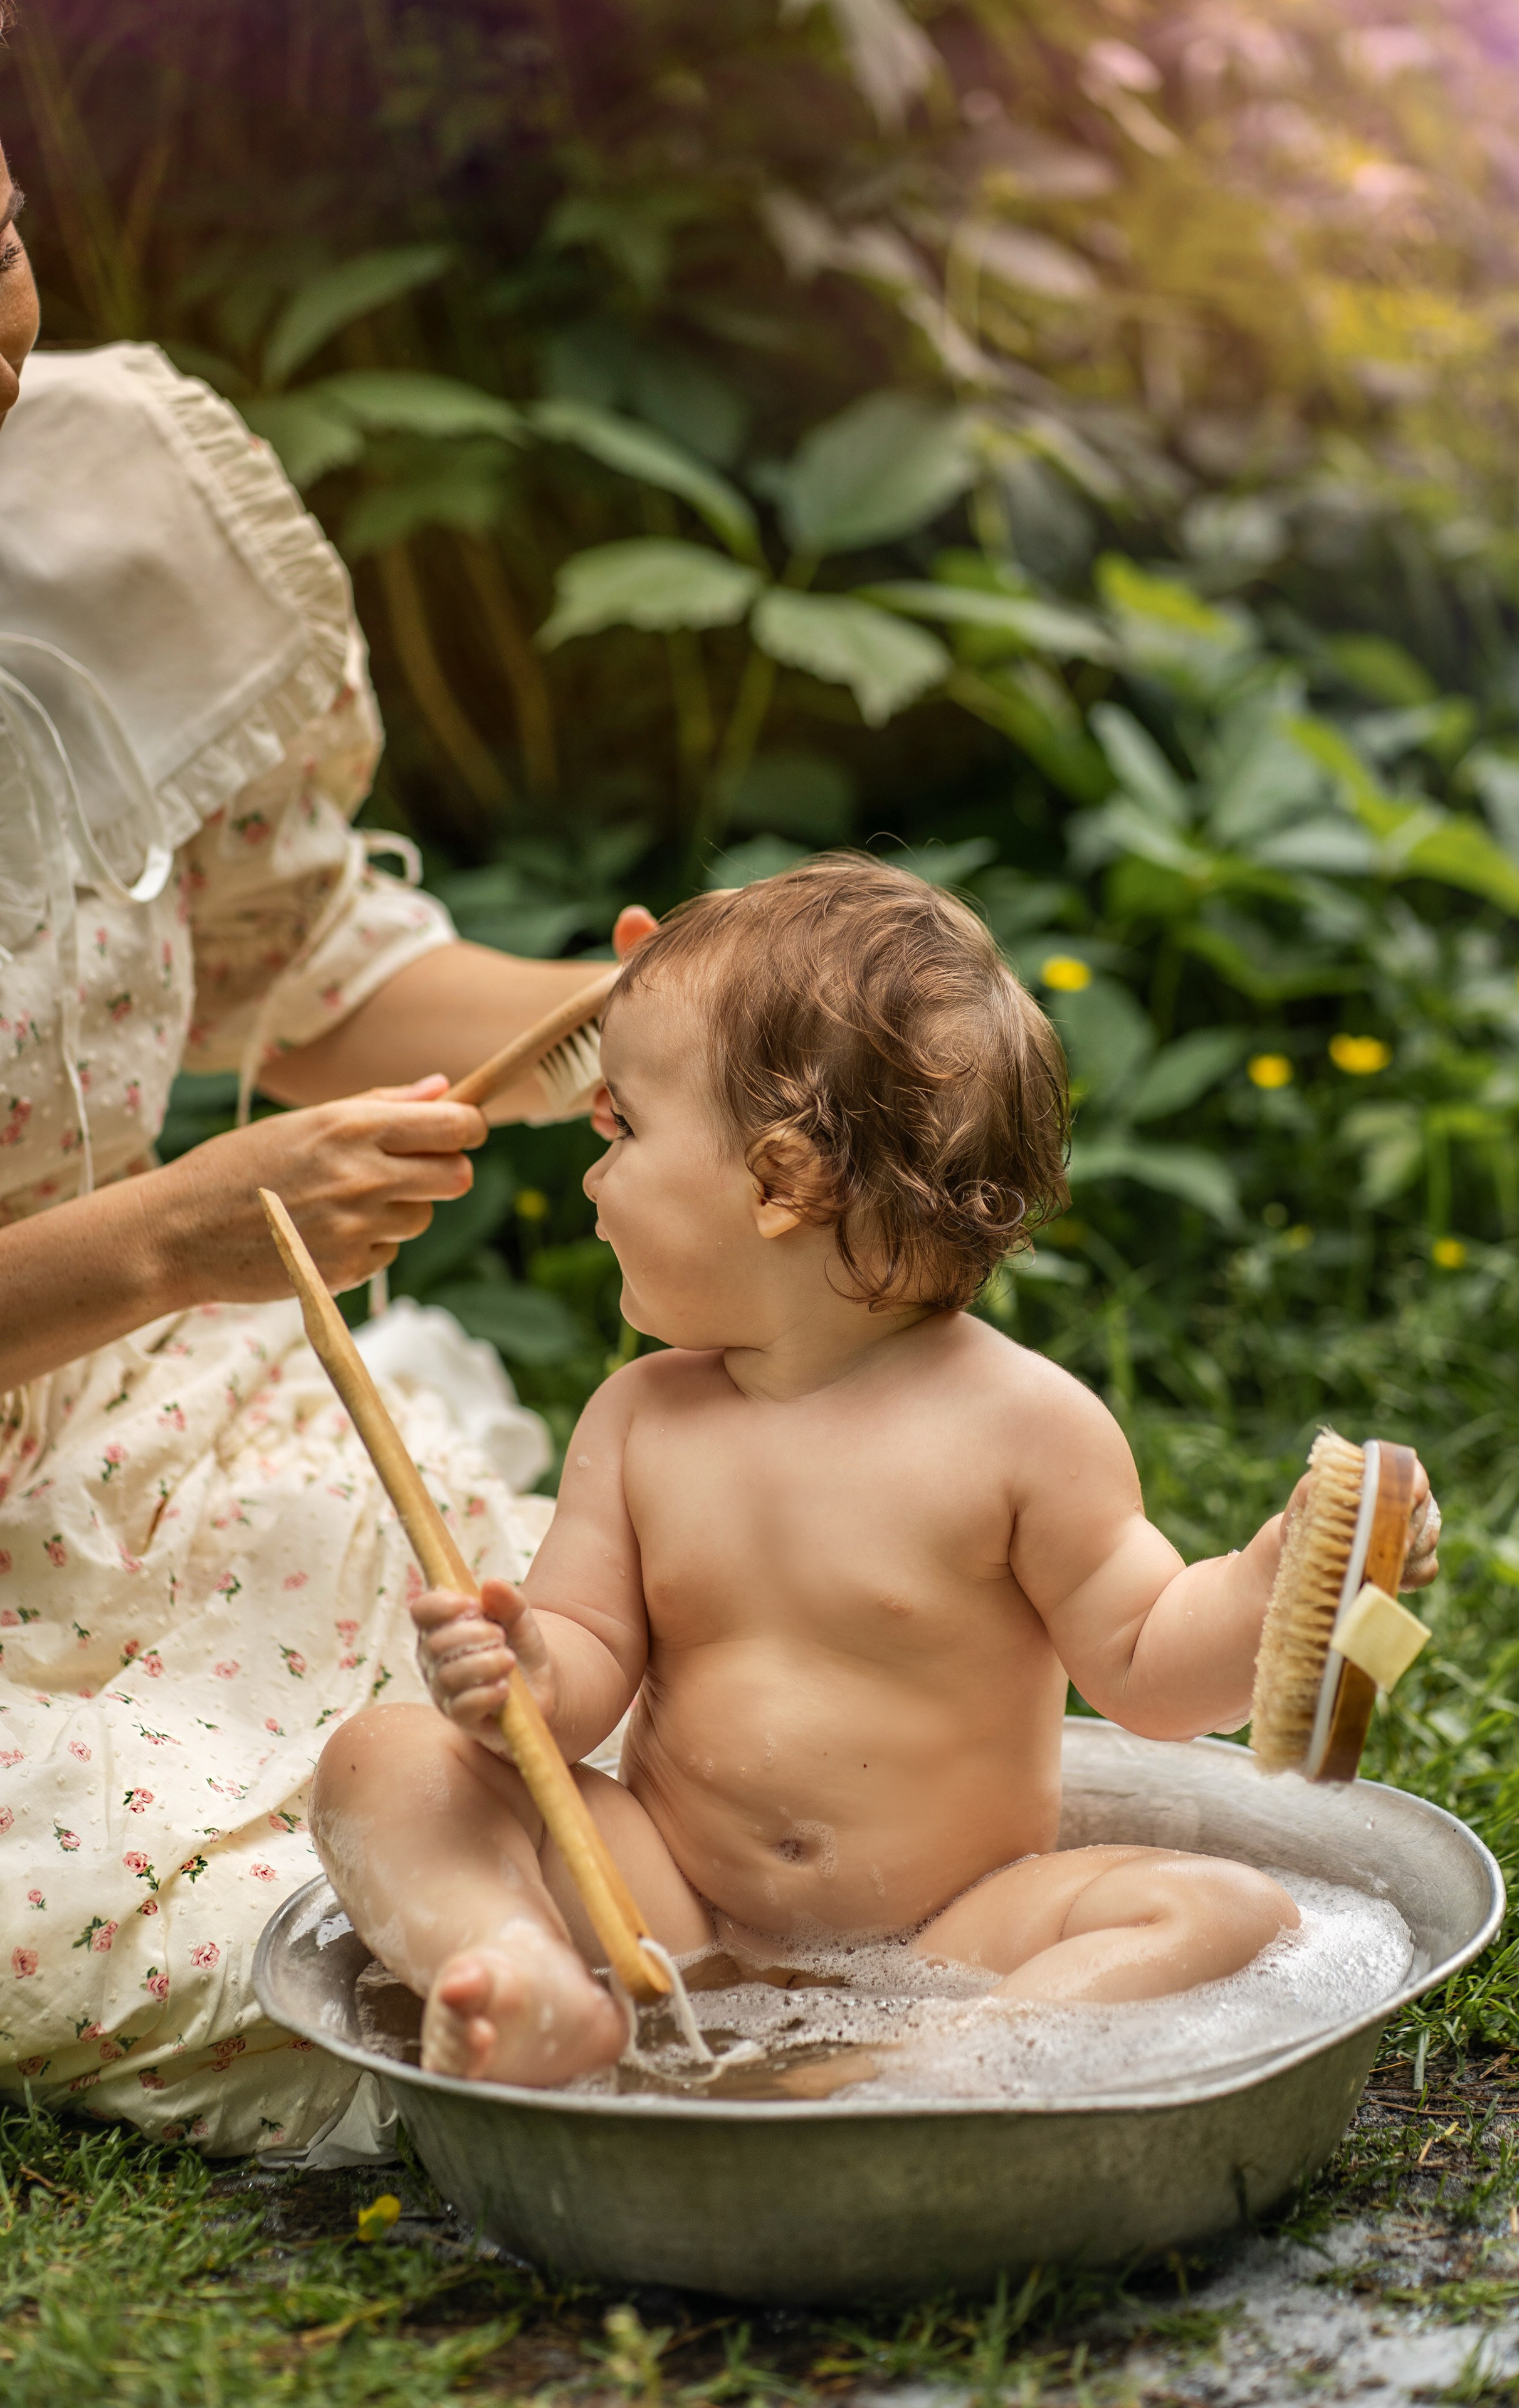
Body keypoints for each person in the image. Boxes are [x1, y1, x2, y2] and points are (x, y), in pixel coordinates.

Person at [313, 859, 1443, 2090]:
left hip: (958, 1931)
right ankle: (518, 1965)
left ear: (779, 1182)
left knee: (1225, 1909)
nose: (592, 1176)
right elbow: (583, 1670)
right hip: (670, 1909)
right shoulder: (641, 1419)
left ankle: (939, 2058)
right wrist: (527, 1674)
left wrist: (1284, 1579)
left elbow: (1151, 1668)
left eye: (623, 1128)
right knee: (388, 1758)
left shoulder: (1024, 1428)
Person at [0, 138, 647, 2153]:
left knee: (512, 1701)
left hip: (118, 1427)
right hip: (112, 1319)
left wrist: (660, 1016)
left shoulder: (94, 514)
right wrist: (171, 1237)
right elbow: (180, 1224)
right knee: (216, 1913)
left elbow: (311, 977)